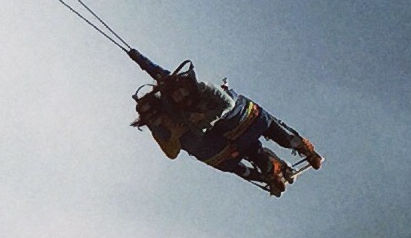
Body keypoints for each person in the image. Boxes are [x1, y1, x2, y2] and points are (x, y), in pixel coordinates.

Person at [127, 51, 322, 195]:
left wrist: (134, 55)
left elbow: (227, 104)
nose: (180, 97)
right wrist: (180, 134)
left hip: (245, 115)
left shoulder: (197, 88)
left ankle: (303, 148)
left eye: (181, 93)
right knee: (250, 154)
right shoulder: (171, 115)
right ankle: (271, 173)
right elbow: (179, 145)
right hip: (226, 140)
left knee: (278, 135)